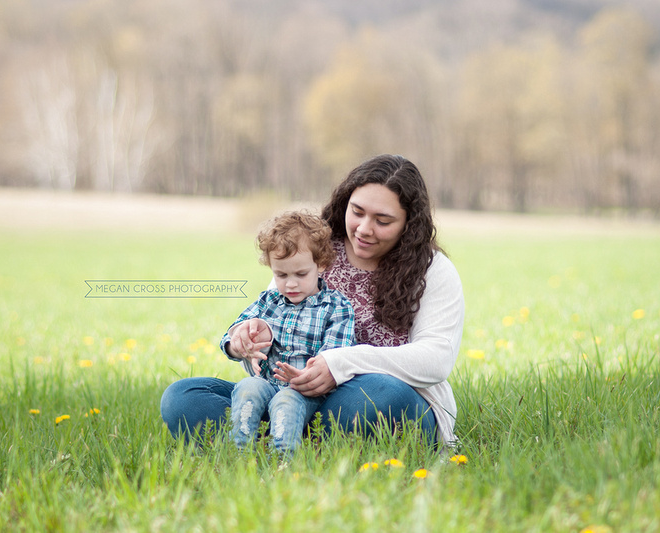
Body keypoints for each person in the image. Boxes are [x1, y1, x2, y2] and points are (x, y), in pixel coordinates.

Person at [161, 154, 465, 448]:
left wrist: (339, 365)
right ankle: (294, 439)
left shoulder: (432, 270)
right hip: (288, 395)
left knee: (385, 394)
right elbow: (271, 338)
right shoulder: (311, 250)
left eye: (382, 220)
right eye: (357, 212)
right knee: (183, 396)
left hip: (366, 401)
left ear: (408, 224)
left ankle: (274, 440)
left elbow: (435, 359)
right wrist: (252, 343)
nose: (364, 228)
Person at [222, 211, 354, 454]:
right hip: (267, 384)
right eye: (281, 275)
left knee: (287, 400)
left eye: (301, 274)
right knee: (247, 387)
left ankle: (283, 459)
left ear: (321, 265)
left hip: (310, 393)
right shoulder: (268, 301)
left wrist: (306, 375)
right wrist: (238, 344)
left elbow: (335, 356)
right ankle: (239, 452)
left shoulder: (337, 306)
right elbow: (231, 337)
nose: (290, 284)